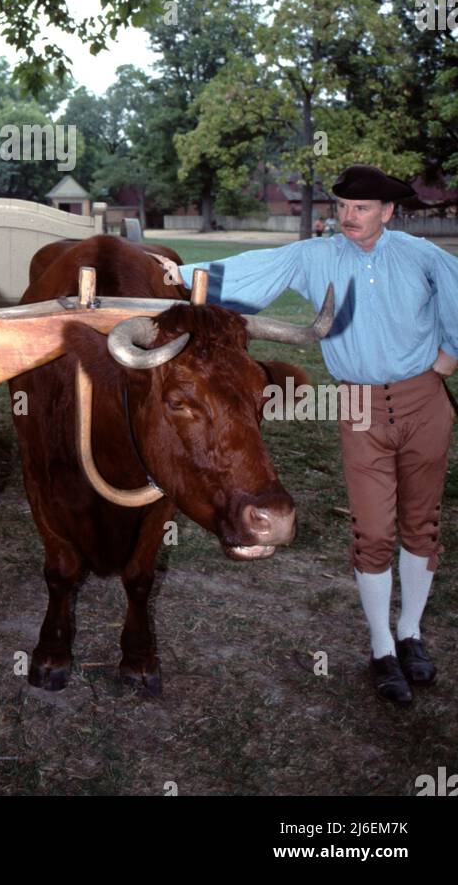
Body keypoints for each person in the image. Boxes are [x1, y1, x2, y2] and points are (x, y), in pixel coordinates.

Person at [162, 164, 457, 705]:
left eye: (362, 208)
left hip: (424, 403)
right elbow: (254, 269)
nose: (348, 216)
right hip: (361, 407)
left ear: (387, 212)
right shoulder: (314, 257)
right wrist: (179, 275)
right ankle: (381, 648)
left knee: (422, 524)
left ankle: (411, 634)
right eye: (342, 206)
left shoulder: (423, 256)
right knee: (373, 531)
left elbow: (456, 297)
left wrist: (449, 355)